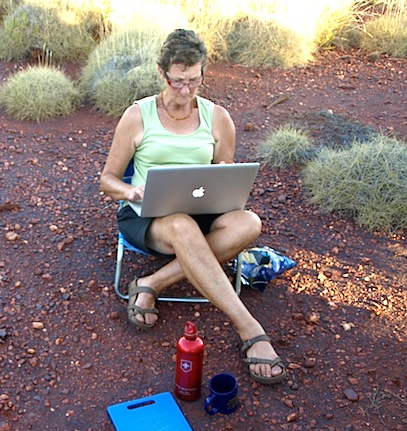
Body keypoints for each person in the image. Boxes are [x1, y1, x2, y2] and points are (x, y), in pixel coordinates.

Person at [100, 29, 286, 385]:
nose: (186, 91)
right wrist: (132, 191)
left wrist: (224, 180)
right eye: (177, 81)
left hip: (200, 210)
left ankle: (152, 282)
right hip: (147, 216)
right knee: (181, 224)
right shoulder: (138, 116)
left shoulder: (218, 117)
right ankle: (249, 328)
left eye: (194, 81)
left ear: (202, 73)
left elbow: (223, 174)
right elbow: (107, 180)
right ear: (161, 73)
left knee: (249, 223)